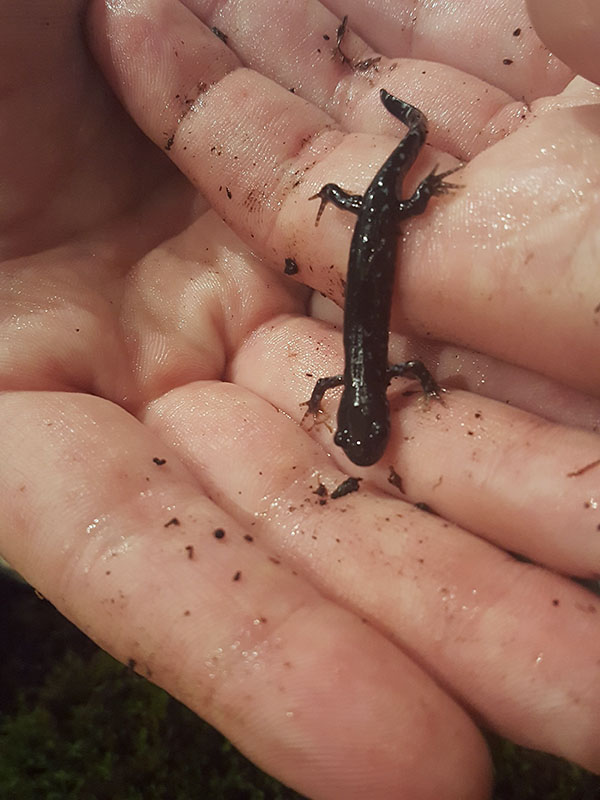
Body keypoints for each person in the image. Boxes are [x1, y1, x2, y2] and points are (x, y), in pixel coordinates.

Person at [1, 0, 599, 797]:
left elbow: (378, 380)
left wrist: (412, 383)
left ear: (369, 408)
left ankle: (410, 134)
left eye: (368, 426)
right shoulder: (359, 383)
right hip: (368, 225)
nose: (373, 425)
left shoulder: (358, 380)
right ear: (371, 408)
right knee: (392, 200)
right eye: (369, 426)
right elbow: (389, 378)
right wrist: (416, 385)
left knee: (399, 193)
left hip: (375, 223)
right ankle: (405, 141)